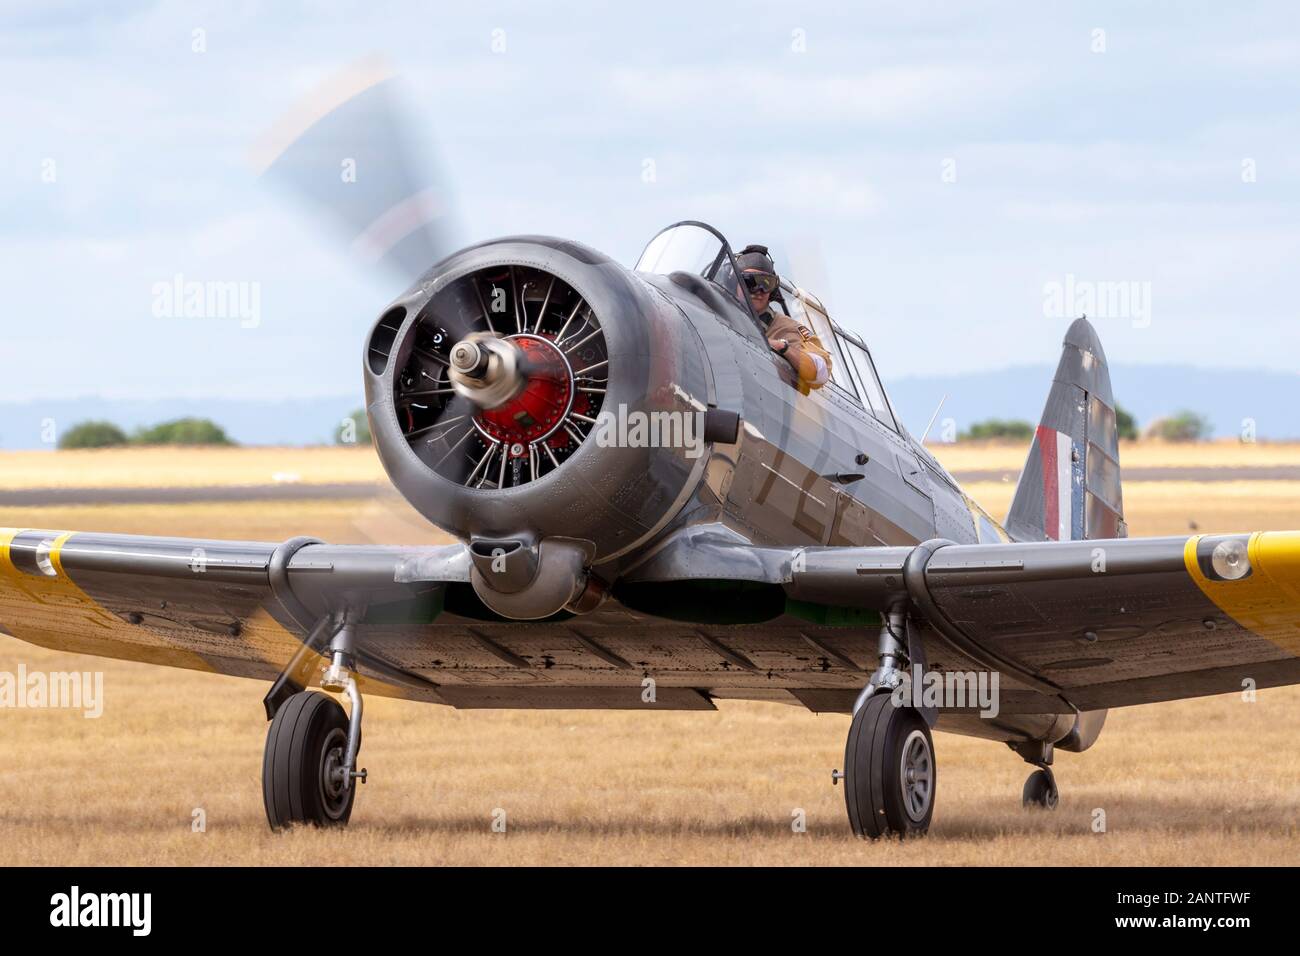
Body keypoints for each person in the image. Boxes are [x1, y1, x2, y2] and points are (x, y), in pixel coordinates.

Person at [734, 244, 831, 394]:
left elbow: (821, 371)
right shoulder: (711, 308)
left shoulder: (784, 326)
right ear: (735, 281)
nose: (759, 291)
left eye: (766, 283)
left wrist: (782, 347)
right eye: (750, 282)